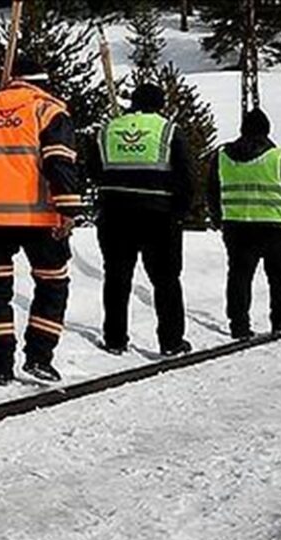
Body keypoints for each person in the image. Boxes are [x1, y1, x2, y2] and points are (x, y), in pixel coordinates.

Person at [0, 57, 85, 385]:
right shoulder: (48, 110)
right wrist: (68, 209)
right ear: (43, 83)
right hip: (38, 215)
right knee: (52, 284)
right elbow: (60, 161)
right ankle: (39, 357)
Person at [89, 83, 195, 357]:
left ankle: (114, 339)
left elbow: (93, 170)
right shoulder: (169, 130)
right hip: (159, 215)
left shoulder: (108, 129)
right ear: (160, 104)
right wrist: (180, 213)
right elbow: (185, 176)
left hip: (114, 213)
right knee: (166, 279)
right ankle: (171, 341)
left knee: (117, 277)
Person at [207, 108, 281, 340]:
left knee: (238, 276)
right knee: (280, 276)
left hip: (236, 227)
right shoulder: (278, 157)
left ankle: (239, 325)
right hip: (274, 227)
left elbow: (212, 191)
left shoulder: (221, 156)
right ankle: (280, 321)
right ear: (267, 130)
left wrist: (217, 217)